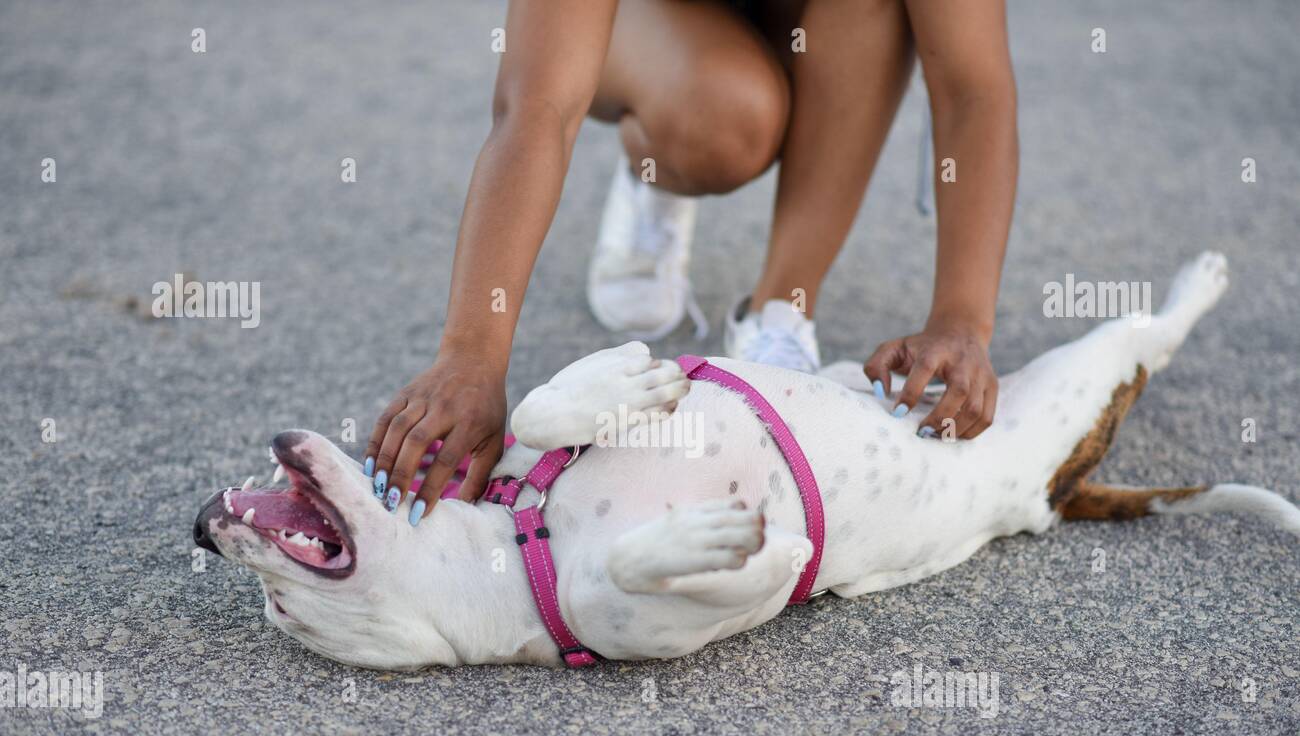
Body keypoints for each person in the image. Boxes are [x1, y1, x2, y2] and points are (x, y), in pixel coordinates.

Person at [365, 0, 1018, 525]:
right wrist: (473, 354)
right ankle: (656, 169)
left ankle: (782, 310)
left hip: (822, 26)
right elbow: (538, 106)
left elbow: (972, 87)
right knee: (725, 119)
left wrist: (963, 320)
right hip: (659, 26)